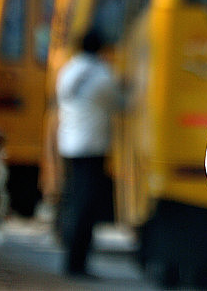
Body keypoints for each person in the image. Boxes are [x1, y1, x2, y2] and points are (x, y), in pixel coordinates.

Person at [55, 28, 121, 276]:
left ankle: (71, 259)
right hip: (92, 147)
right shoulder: (101, 74)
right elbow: (120, 102)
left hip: (69, 145)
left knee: (73, 202)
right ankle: (77, 264)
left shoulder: (69, 71)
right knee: (86, 208)